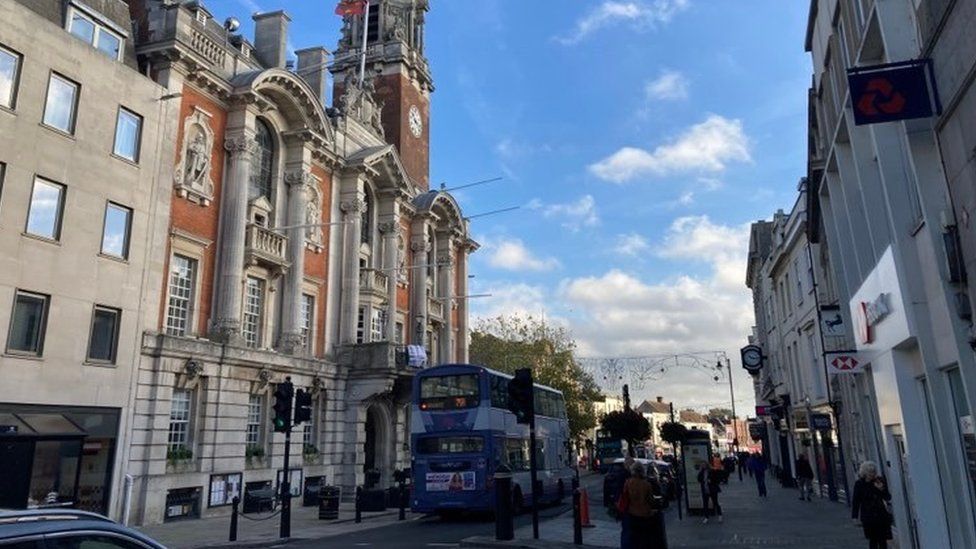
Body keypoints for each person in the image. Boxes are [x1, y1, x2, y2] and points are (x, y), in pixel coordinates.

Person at [617, 462, 665, 549]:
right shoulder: (646, 484)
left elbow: (625, 497)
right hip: (644, 514)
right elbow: (651, 500)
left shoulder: (628, 483)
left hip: (632, 513)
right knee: (644, 538)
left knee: (634, 538)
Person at [851, 461, 893, 549]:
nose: (872, 474)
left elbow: (887, 497)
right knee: (873, 540)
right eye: (870, 472)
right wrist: (854, 517)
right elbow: (856, 501)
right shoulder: (859, 484)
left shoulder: (879, 481)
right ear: (864, 472)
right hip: (868, 516)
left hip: (880, 514)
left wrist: (881, 489)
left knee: (882, 540)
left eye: (874, 471)